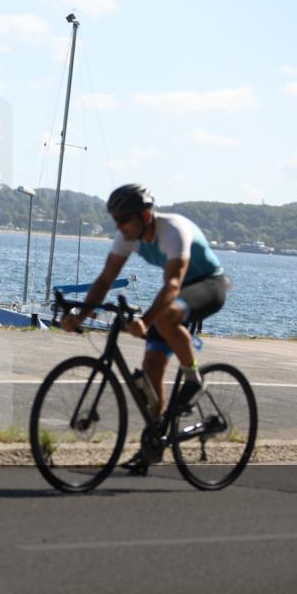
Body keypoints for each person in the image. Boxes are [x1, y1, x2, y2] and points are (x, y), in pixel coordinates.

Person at [61, 184, 228, 474]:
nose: (119, 226)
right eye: (116, 220)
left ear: (146, 215)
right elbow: (104, 280)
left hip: (209, 285)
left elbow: (173, 285)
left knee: (165, 318)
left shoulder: (173, 231)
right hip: (177, 294)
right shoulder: (127, 236)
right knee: (151, 369)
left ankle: (193, 378)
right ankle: (153, 443)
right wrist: (81, 315)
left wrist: (145, 321)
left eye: (124, 219)